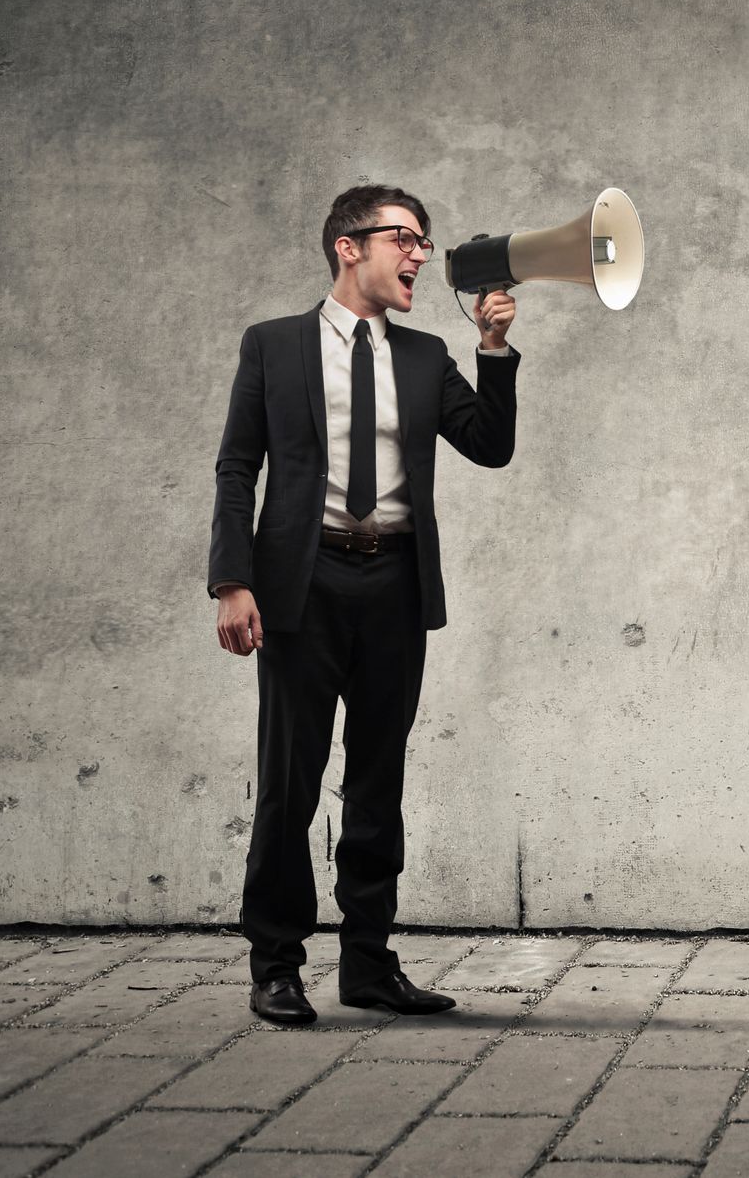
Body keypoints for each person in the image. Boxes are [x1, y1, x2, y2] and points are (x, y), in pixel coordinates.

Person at [208, 185, 521, 1025]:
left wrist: (493, 349)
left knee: (378, 782)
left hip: (394, 586)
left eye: (424, 241)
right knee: (290, 783)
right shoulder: (273, 345)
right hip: (301, 587)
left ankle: (369, 965)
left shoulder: (424, 356)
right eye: (404, 239)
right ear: (349, 246)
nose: (420, 254)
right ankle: (276, 965)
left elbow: (490, 445)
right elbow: (238, 466)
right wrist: (232, 580)